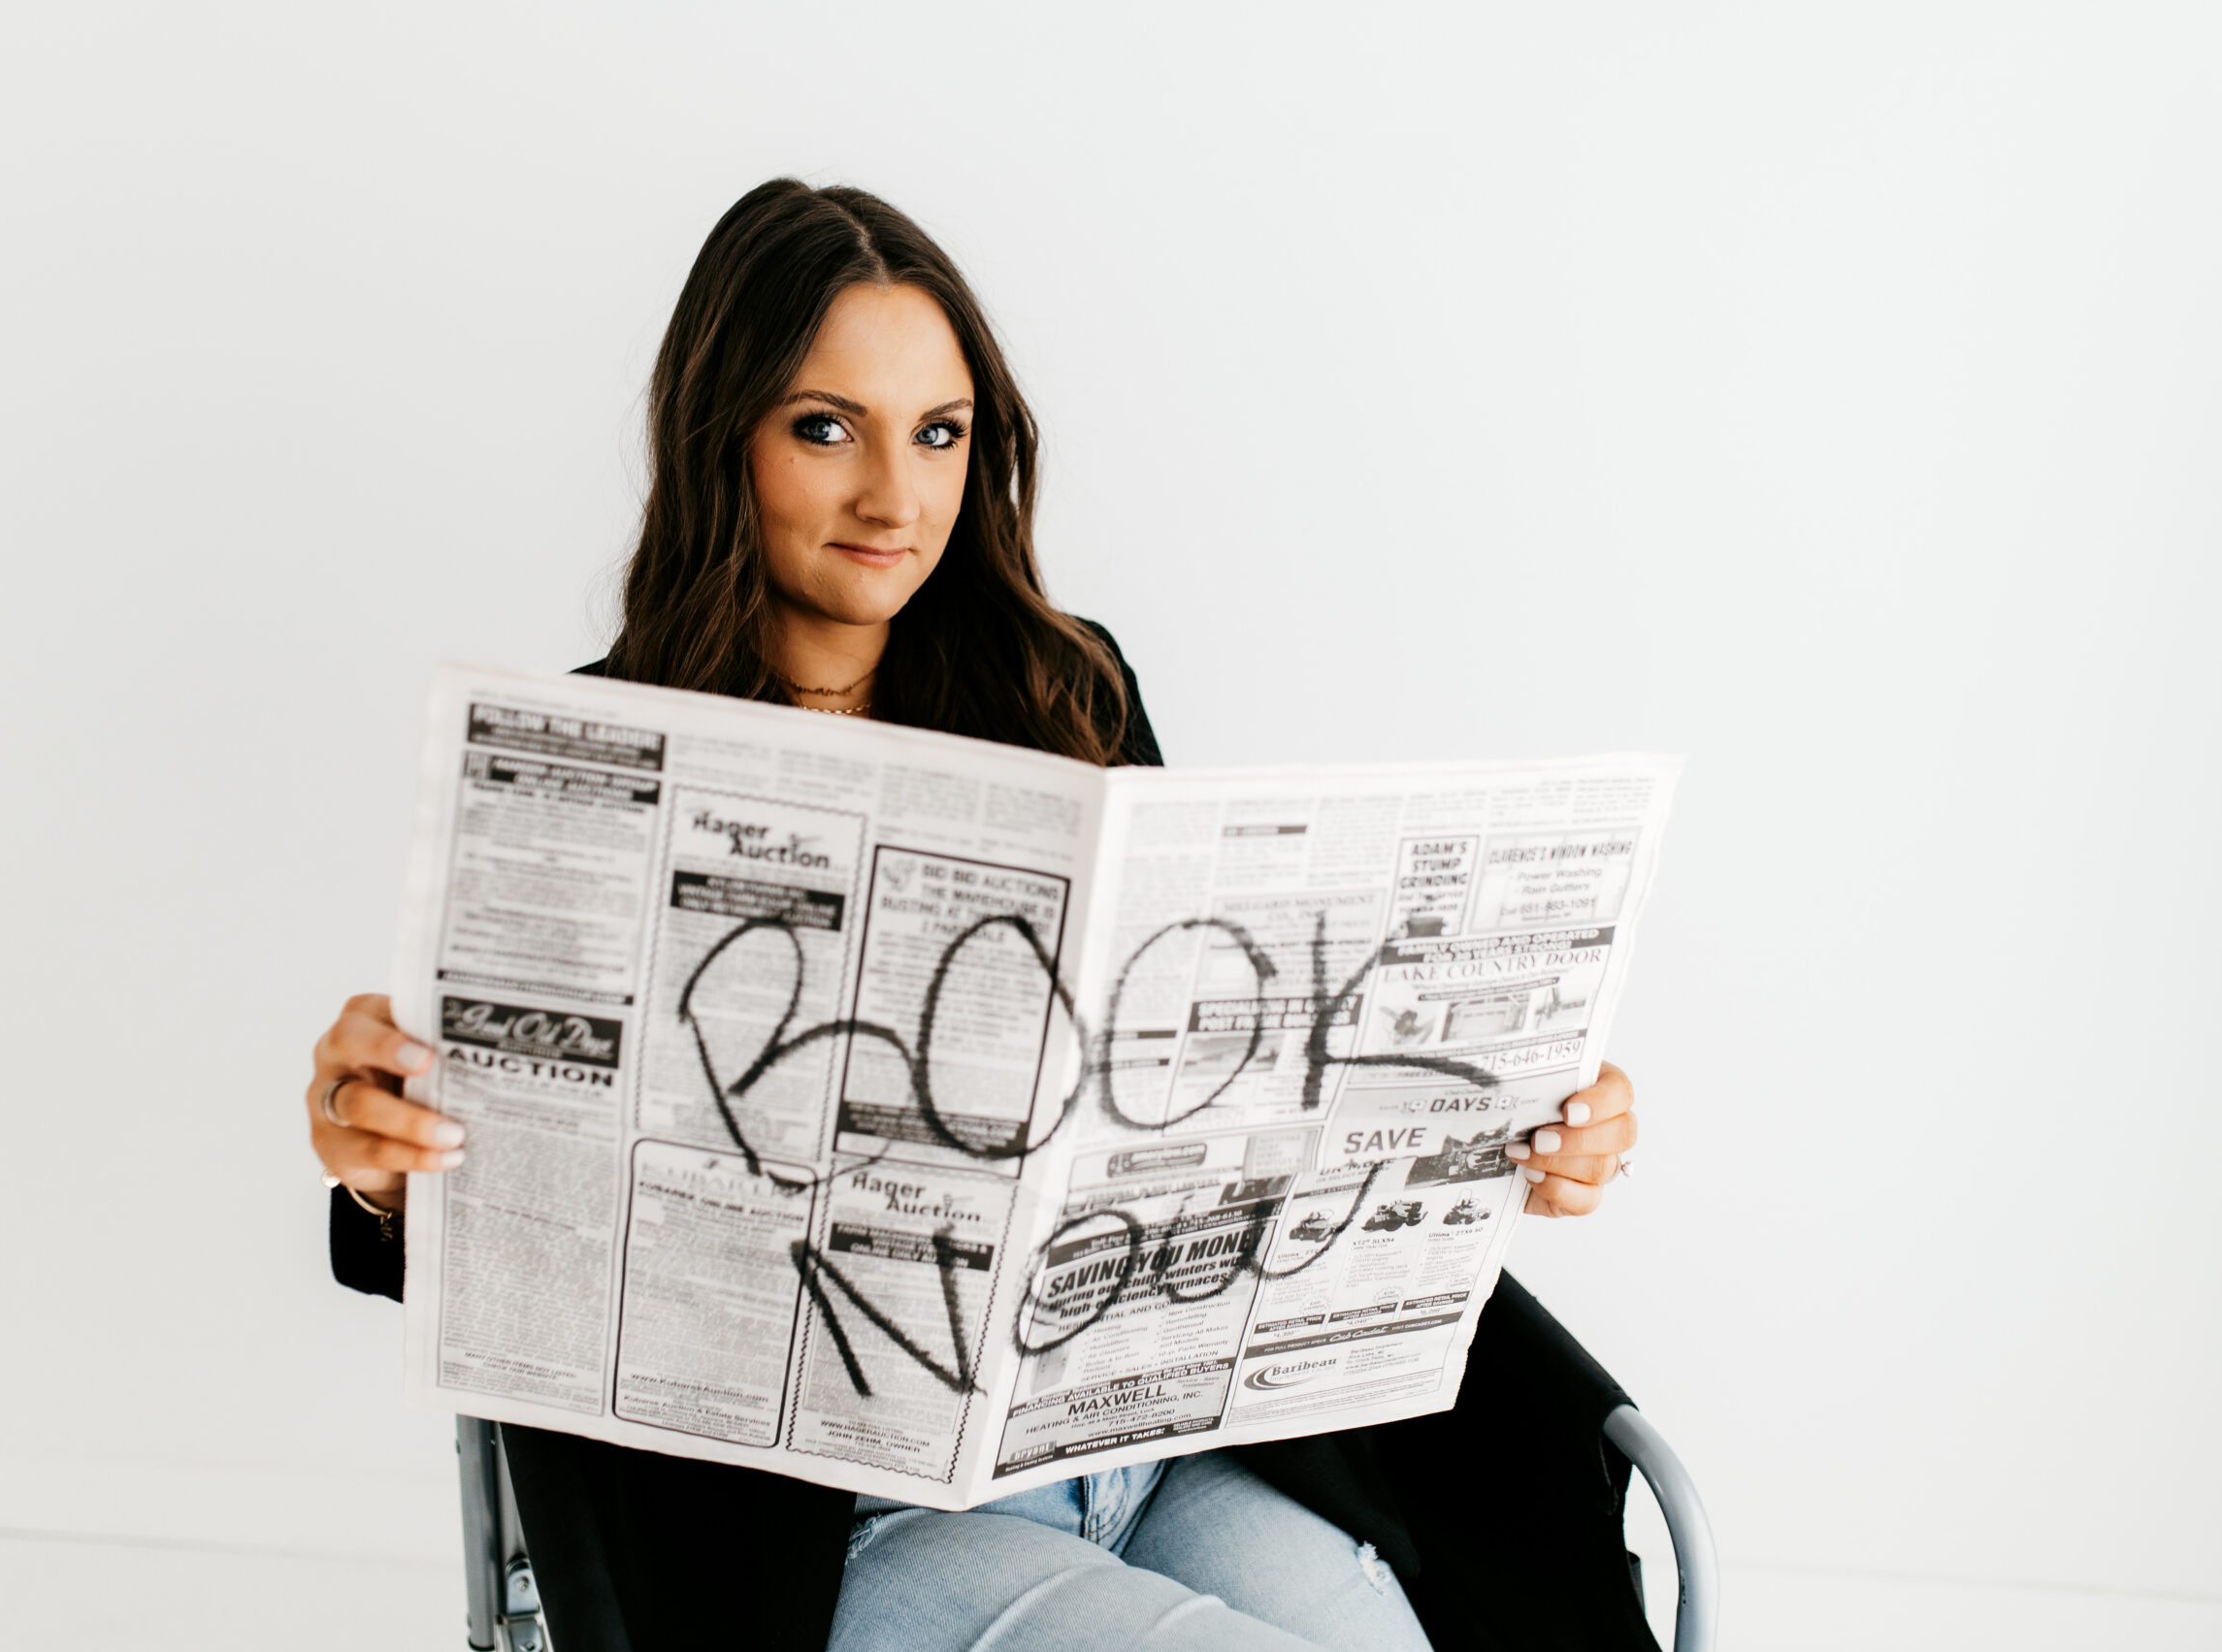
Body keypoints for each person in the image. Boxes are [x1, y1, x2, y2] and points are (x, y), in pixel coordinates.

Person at [308, 178, 1643, 1652]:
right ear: (719, 438)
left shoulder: (1069, 692)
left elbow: (1217, 1080)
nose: (897, 498)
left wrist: (1506, 1130)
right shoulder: (595, 759)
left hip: (1156, 1442)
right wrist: (387, 1176)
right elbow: (529, 1211)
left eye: (938, 433)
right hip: (847, 1525)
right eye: (827, 428)